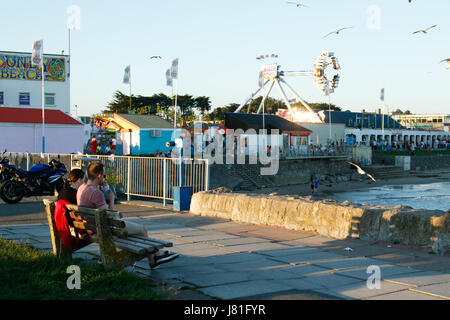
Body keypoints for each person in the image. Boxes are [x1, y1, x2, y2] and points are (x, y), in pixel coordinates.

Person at [77, 162, 179, 268]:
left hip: (90, 228)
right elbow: (108, 216)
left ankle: (154, 257)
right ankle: (154, 258)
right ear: (99, 175)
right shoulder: (96, 193)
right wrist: (111, 198)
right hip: (103, 230)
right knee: (142, 230)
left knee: (133, 230)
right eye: (104, 175)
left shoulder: (81, 188)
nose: (104, 178)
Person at [54, 169, 86, 250]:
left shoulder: (62, 192)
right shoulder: (76, 194)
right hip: (78, 228)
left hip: (68, 224)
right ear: (79, 180)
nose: (84, 182)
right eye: (83, 180)